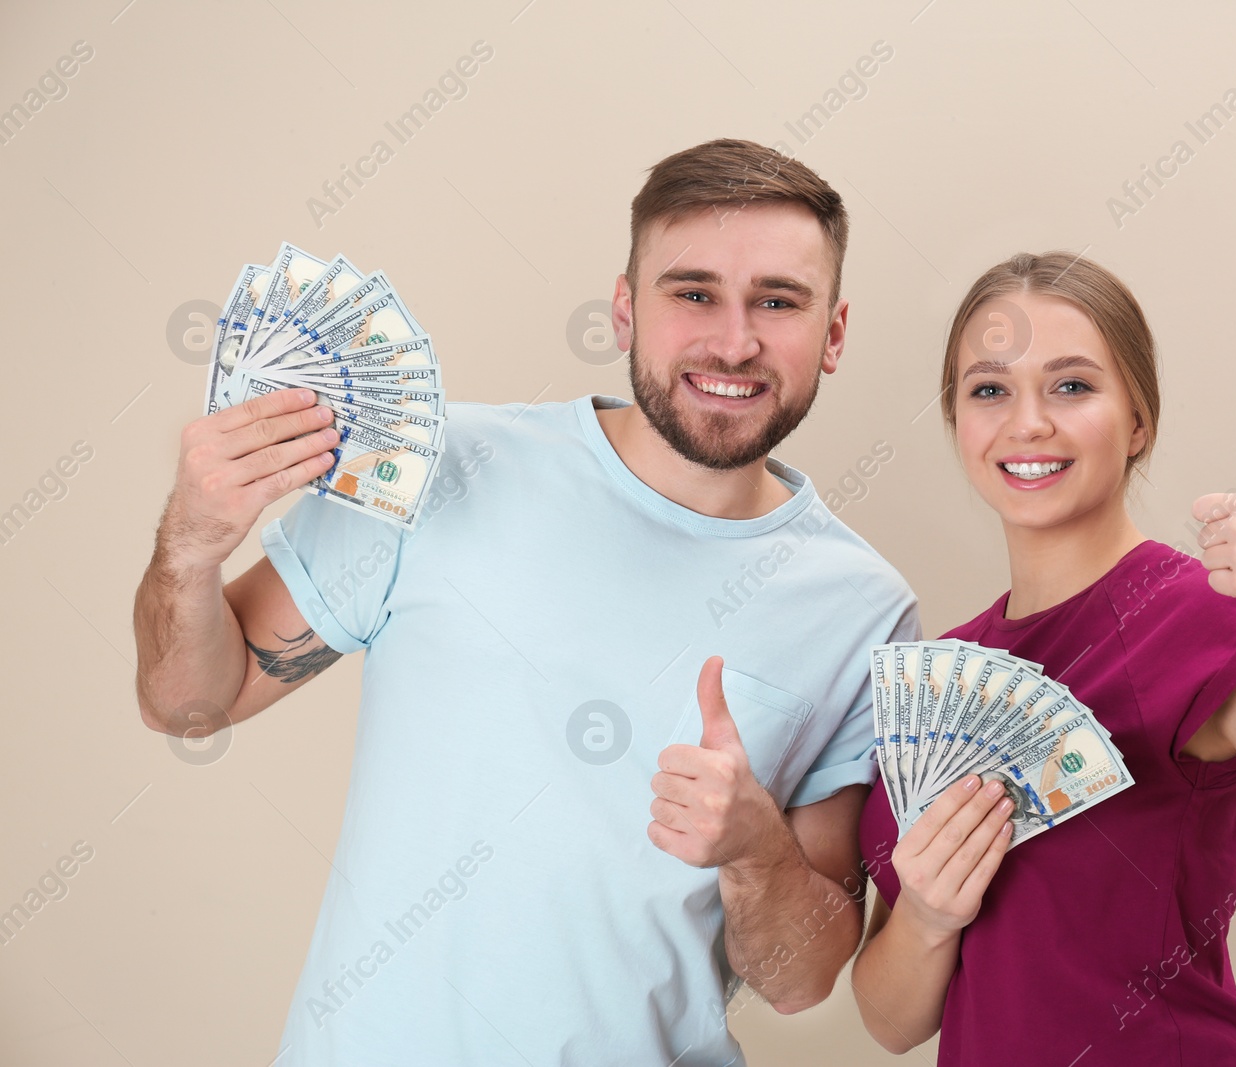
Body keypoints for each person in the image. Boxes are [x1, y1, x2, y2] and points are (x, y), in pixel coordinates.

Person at [132, 138, 919, 1066]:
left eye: (778, 301)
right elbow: (190, 703)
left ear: (832, 333)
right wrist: (189, 541)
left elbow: (803, 978)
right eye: (693, 291)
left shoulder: (865, 608)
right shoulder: (437, 467)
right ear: (625, 309)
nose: (734, 340)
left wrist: (753, 846)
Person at [849, 251, 1236, 1065]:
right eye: (989, 389)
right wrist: (929, 917)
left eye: (1073, 385)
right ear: (957, 422)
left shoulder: (1204, 621)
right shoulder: (946, 677)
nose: (1028, 422)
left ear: (1139, 419)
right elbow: (891, 1021)